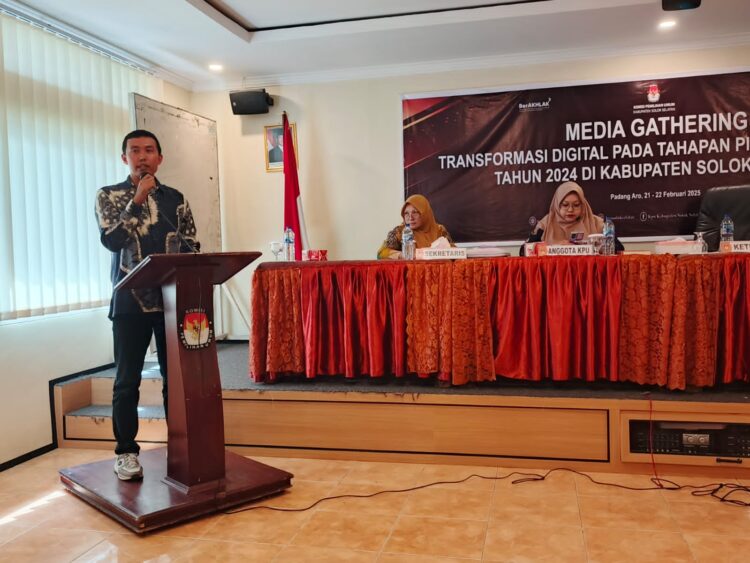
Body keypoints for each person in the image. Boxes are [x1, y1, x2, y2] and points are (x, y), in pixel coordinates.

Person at [95, 130, 200, 481]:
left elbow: (191, 245)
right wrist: (137, 199)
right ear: (124, 158)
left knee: (176, 382)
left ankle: (181, 447)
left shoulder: (176, 199)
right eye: (135, 151)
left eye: (149, 150)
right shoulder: (109, 196)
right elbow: (112, 241)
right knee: (127, 382)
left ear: (160, 158)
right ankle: (126, 452)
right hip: (130, 303)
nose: (142, 156)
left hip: (171, 303)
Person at [521, 181, 623, 254]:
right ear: (557, 205)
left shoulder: (598, 223)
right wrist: (555, 248)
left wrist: (592, 248)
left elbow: (619, 249)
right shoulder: (545, 224)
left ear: (583, 205)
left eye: (576, 205)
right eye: (565, 205)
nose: (570, 210)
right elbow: (523, 251)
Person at [377, 194, 454, 259]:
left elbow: (454, 253)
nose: (410, 217)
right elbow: (381, 253)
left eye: (415, 212)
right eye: (406, 213)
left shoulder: (439, 230)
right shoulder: (400, 231)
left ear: (425, 214)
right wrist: (402, 255)